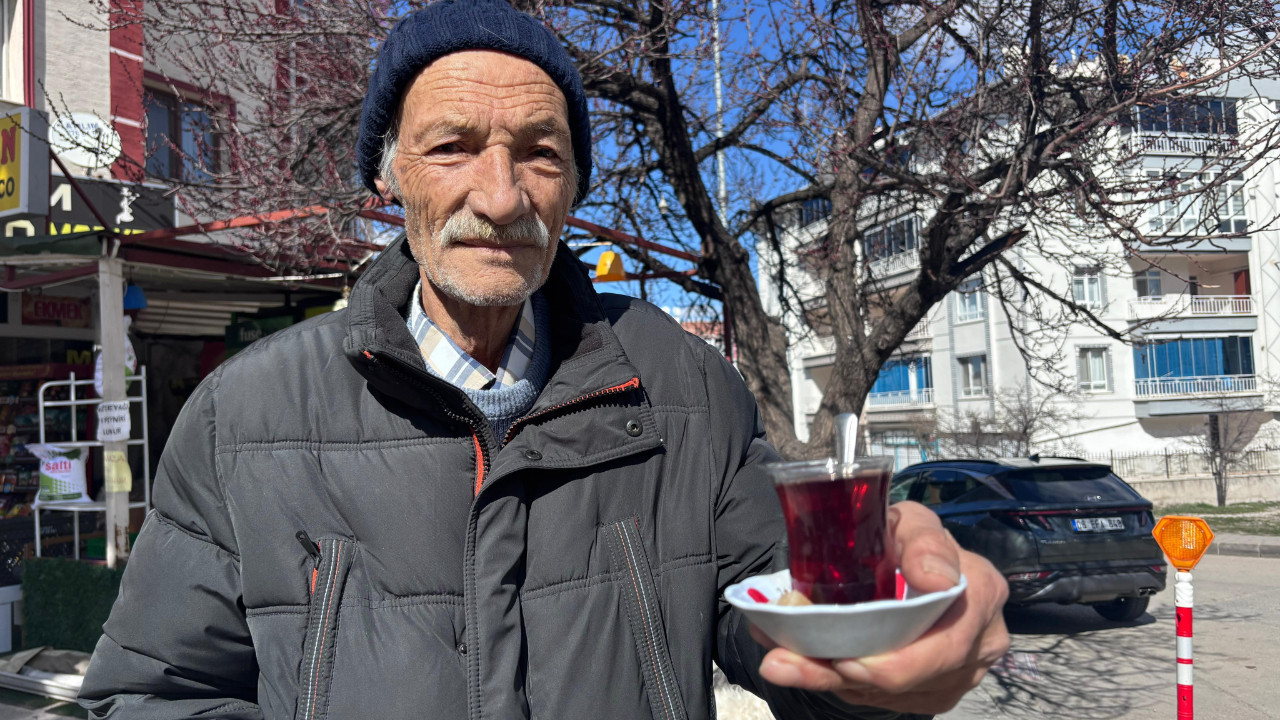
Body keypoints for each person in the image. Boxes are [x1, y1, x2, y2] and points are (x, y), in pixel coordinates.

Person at [79, 1, 1008, 718]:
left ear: (573, 185)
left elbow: (788, 628)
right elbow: (147, 694)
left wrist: (883, 653)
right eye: (451, 146)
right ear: (387, 173)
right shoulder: (244, 415)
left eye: (539, 153)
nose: (500, 194)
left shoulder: (683, 387)